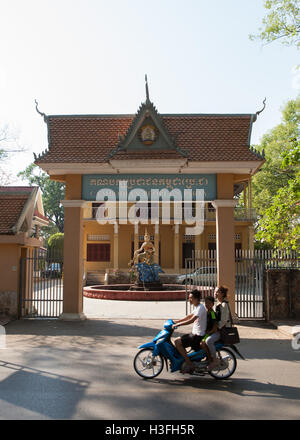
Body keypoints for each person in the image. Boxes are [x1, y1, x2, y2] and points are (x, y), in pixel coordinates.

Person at [172, 289, 207, 373]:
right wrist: (176, 321)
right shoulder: (198, 307)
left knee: (177, 342)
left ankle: (189, 363)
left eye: (191, 298)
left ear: (196, 298)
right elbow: (189, 316)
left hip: (198, 335)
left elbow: (191, 320)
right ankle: (186, 360)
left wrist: (178, 325)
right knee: (178, 341)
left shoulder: (200, 308)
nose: (189, 299)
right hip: (195, 334)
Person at [205, 285, 230, 370]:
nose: (215, 293)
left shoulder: (224, 305)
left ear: (222, 294)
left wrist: (214, 329)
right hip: (216, 330)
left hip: (221, 331)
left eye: (217, 292)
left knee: (209, 341)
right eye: (215, 291)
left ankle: (214, 360)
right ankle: (208, 357)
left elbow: (223, 320)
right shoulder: (217, 304)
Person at [200, 296, 218, 369]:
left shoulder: (213, 314)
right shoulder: (206, 312)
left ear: (212, 304)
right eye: (206, 303)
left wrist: (209, 333)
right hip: (206, 332)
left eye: (209, 303)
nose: (207, 304)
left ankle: (210, 358)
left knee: (202, 343)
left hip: (211, 333)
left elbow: (215, 326)